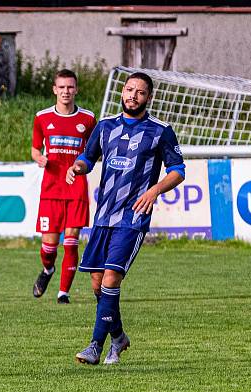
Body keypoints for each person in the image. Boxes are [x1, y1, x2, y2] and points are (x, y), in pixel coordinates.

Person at [66, 72, 185, 365]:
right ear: (122, 92)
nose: (133, 96)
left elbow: (178, 170)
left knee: (110, 278)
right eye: (129, 90)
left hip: (133, 218)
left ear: (149, 98)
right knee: (97, 284)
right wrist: (77, 167)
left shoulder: (160, 131)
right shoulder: (105, 127)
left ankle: (96, 345)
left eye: (140, 92)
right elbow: (87, 156)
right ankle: (118, 337)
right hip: (104, 216)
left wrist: (155, 190)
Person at [30, 69, 96, 304]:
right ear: (54, 90)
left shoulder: (88, 119)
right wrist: (39, 158)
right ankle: (48, 271)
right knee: (49, 248)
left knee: (71, 242)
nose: (66, 91)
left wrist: (80, 167)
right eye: (62, 87)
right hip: (51, 189)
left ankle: (63, 293)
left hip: (76, 187)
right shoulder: (42, 117)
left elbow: (93, 152)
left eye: (70, 87)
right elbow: (35, 148)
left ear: (76, 89)